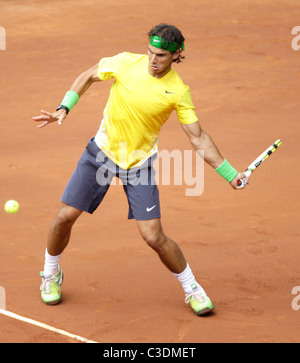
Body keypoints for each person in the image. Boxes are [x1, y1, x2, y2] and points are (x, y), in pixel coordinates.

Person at [33, 23, 247, 316]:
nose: (153, 60)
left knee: (153, 236)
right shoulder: (124, 62)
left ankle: (192, 288)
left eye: (160, 55)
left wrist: (229, 173)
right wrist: (64, 107)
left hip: (139, 164)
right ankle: (50, 273)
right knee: (63, 218)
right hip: (101, 153)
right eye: (150, 52)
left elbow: (198, 137)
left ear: (176, 55)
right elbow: (88, 75)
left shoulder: (178, 91)